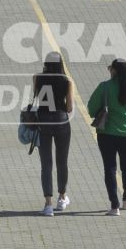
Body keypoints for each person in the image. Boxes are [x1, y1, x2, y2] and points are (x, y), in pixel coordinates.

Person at [87, 58, 126, 214]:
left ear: (114, 71)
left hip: (106, 134)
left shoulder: (105, 87)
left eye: (110, 68)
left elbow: (91, 109)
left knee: (110, 168)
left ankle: (114, 206)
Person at [29, 54, 73, 216]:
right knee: (62, 161)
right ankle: (62, 198)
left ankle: (48, 204)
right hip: (61, 122)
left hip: (43, 122)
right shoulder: (67, 81)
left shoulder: (37, 78)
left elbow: (37, 98)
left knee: (46, 163)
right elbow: (69, 107)